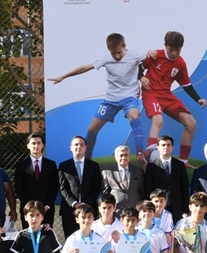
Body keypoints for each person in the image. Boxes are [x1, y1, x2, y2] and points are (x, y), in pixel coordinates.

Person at [48, 33, 147, 161]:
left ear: (124, 46)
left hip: (129, 97)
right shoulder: (105, 59)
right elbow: (85, 68)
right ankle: (87, 160)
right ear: (108, 50)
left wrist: (144, 74)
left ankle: (140, 153)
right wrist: (63, 76)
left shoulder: (135, 55)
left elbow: (153, 60)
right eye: (113, 53)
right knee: (92, 129)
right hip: (111, 100)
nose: (117, 56)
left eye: (119, 52)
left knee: (134, 116)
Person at [141, 31, 207, 165]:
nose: (174, 53)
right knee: (158, 120)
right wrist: (141, 77)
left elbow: (186, 85)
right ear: (165, 45)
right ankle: (149, 154)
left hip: (166, 95)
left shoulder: (180, 63)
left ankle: (183, 162)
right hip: (151, 93)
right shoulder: (155, 55)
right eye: (171, 50)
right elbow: (139, 67)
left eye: (178, 50)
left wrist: (198, 99)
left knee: (191, 123)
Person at [58, 135, 102, 238]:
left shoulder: (94, 166)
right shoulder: (63, 166)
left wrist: (85, 204)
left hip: (89, 210)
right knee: (71, 239)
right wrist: (74, 203)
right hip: (69, 211)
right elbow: (62, 188)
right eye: (76, 144)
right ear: (71, 148)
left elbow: (97, 187)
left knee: (90, 239)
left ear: (85, 148)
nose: (79, 147)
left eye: (81, 145)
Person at [13, 134, 59, 228]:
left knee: (46, 235)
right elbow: (19, 188)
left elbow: (55, 187)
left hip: (46, 210)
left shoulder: (51, 164)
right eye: (33, 143)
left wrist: (47, 206)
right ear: (28, 146)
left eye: (38, 143)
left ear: (43, 145)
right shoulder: (21, 166)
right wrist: (30, 207)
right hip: (28, 211)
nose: (36, 146)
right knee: (29, 236)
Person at [144, 135, 190, 220]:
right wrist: (148, 208)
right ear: (158, 147)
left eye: (168, 145)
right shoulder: (151, 166)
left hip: (177, 208)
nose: (166, 147)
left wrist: (186, 210)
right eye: (163, 145)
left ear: (172, 147)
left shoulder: (180, 165)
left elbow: (184, 188)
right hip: (158, 208)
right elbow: (148, 189)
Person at [102, 145, 144, 212]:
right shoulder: (107, 172)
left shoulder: (138, 171)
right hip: (116, 211)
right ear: (116, 157)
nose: (123, 157)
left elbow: (142, 191)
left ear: (129, 156)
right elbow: (105, 194)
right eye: (121, 155)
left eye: (126, 155)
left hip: (135, 210)